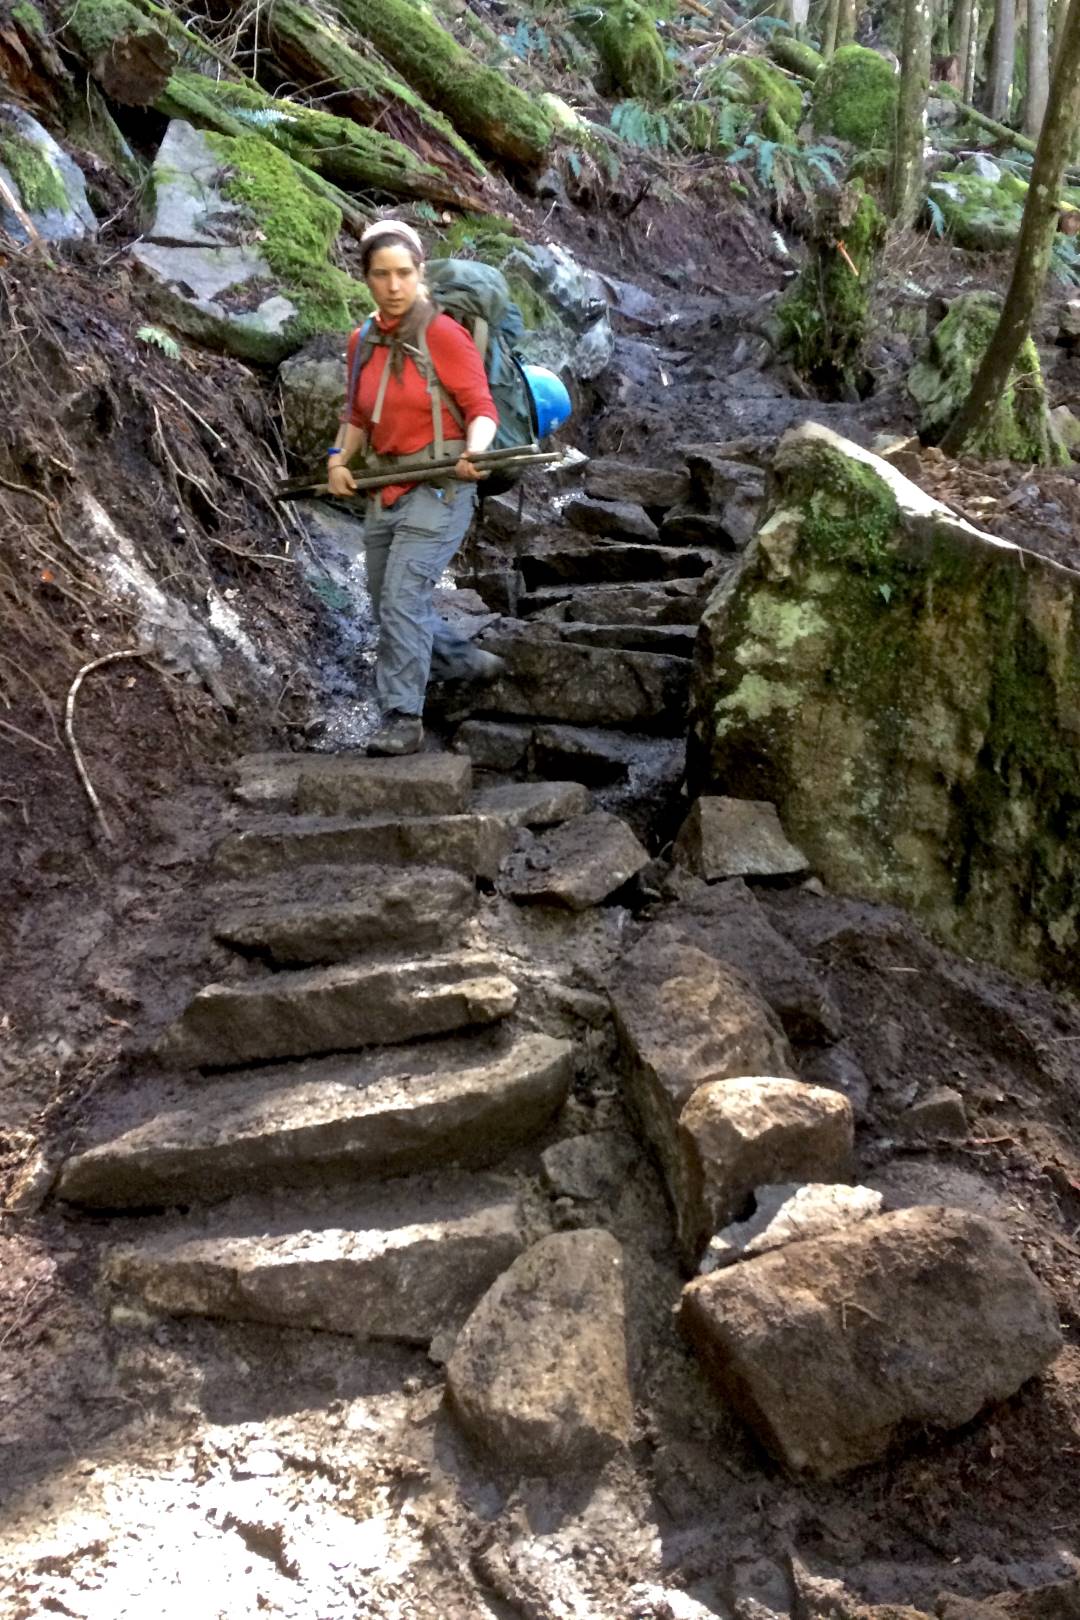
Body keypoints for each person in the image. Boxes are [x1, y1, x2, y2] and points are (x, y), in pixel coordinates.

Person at [327, 219, 503, 757]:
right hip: (385, 485)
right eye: (382, 275)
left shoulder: (444, 335)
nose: (394, 285)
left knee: (402, 597)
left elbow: (482, 409)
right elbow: (358, 412)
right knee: (386, 600)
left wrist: (474, 450)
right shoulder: (362, 341)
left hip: (443, 486)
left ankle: (402, 717)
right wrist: (338, 458)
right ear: (366, 279)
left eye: (404, 273)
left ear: (420, 274)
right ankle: (461, 660)